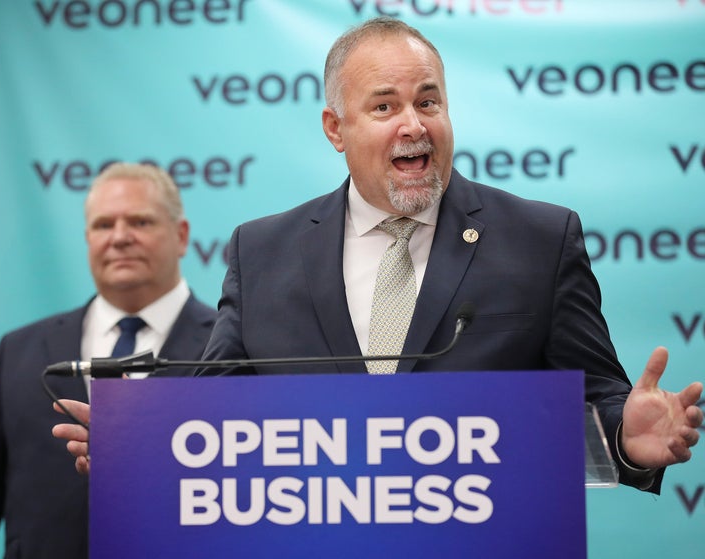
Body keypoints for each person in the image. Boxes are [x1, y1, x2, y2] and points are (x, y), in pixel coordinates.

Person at [54, 17, 702, 492]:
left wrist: (628, 438)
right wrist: (141, 448)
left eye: (428, 101)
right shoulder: (263, 251)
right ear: (336, 128)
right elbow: (219, 419)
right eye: (385, 106)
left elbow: (598, 399)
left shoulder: (539, 239)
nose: (413, 124)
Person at [0, 162, 217, 559]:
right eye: (103, 225)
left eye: (141, 222)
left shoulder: (230, 346)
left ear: (181, 237)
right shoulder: (18, 351)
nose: (120, 238)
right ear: (87, 238)